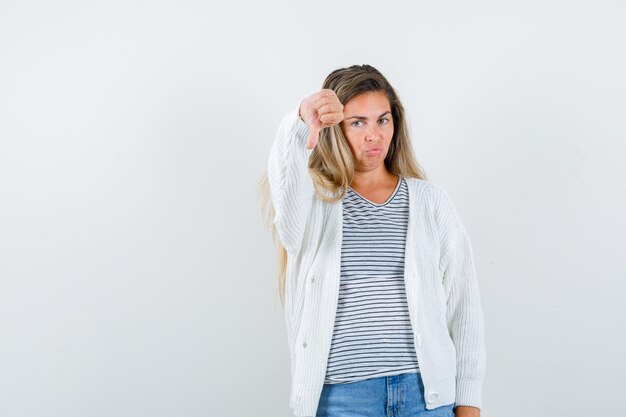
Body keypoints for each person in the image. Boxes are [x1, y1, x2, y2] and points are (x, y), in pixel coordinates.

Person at [258, 64, 486, 417]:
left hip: (425, 396)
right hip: (343, 400)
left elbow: (464, 307)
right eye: (357, 122)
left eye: (382, 120)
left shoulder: (430, 201)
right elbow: (287, 207)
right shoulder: (314, 205)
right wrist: (302, 122)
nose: (373, 135)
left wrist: (469, 405)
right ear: (334, 128)